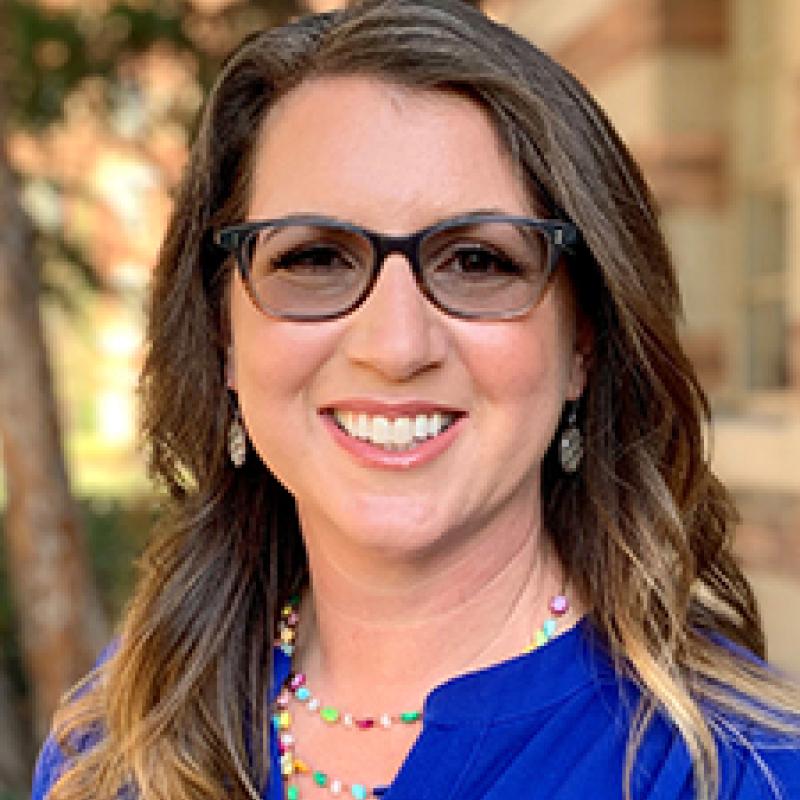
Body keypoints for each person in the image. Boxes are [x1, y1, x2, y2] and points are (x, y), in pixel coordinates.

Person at [32, 1, 800, 798]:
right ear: (224, 339)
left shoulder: (742, 770)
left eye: (476, 261)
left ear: (583, 344)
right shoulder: (114, 743)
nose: (395, 348)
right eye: (316, 257)